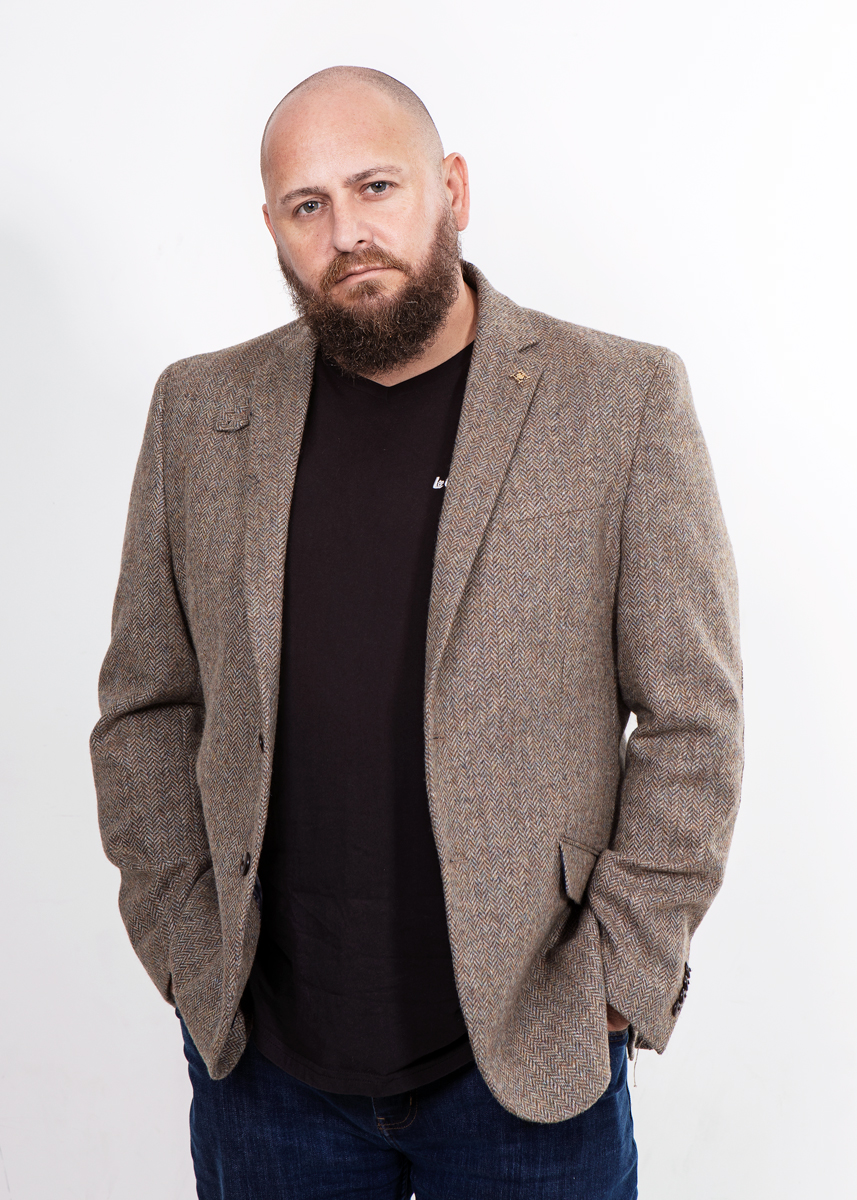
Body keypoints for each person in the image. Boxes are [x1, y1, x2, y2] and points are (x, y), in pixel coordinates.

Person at [91, 65, 743, 1200]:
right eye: (307, 205)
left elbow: (693, 722)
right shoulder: (199, 412)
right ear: (272, 228)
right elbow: (146, 706)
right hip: (267, 1069)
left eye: (376, 186)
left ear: (452, 189)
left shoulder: (618, 400)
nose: (346, 232)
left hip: (529, 1057)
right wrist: (188, 948)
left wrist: (617, 978)